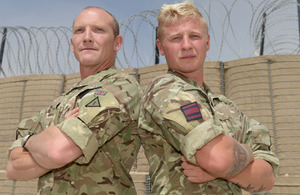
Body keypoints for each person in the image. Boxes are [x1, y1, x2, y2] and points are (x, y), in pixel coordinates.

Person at [138, 1, 279, 194]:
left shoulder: (227, 107)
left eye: (194, 36)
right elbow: (220, 159)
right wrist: (247, 153)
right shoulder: (163, 90)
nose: (186, 45)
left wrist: (222, 172)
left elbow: (267, 178)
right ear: (161, 47)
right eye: (176, 38)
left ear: (207, 42)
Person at [6, 6, 142, 194]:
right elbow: (14, 167)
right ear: (72, 43)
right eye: (80, 31)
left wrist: (30, 141)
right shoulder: (60, 102)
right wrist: (43, 141)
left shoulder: (121, 87)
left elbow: (56, 151)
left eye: (98, 30)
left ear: (117, 43)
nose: (87, 37)